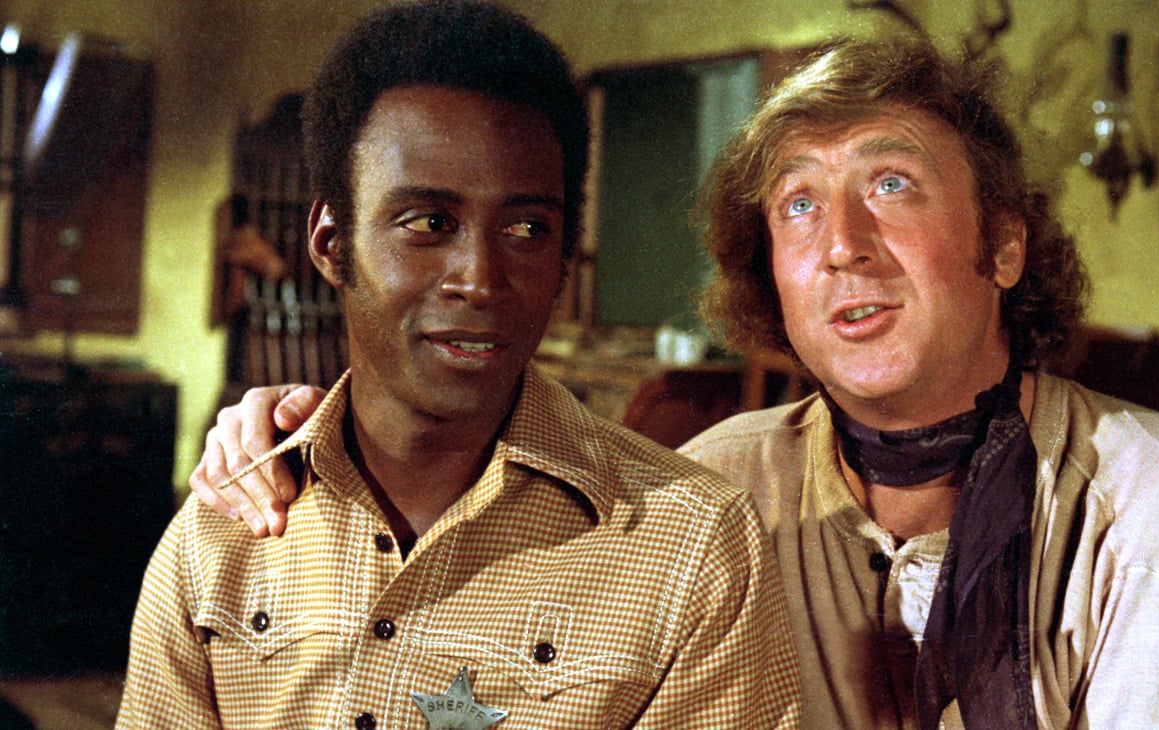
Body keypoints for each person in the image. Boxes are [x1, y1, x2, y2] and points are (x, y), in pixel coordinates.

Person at [192, 38, 1159, 729]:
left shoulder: (1153, 496)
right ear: (771, 275)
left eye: (892, 183)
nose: (841, 243)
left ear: (1003, 243)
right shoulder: (712, 484)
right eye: (798, 204)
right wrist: (309, 442)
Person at [119, 3, 800, 728]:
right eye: (428, 223)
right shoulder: (222, 531)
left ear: (564, 256)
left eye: (526, 228)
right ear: (331, 243)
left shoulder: (689, 547)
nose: (479, 278)